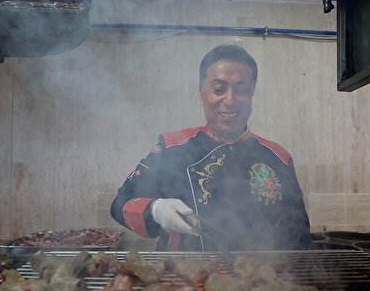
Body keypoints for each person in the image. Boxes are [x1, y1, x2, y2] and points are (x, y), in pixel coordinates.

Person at [111, 44, 310, 251]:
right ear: (201, 94)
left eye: (241, 90)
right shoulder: (172, 147)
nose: (230, 100)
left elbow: (298, 236)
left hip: (257, 279)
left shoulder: (278, 158)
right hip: (180, 278)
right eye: (218, 90)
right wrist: (155, 209)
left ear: (252, 93)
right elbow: (120, 203)